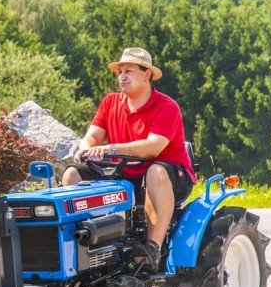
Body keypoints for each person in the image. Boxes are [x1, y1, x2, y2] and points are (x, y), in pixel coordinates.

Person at [61, 47, 196, 271]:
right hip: (123, 174)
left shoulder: (167, 106)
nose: (122, 76)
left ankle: (152, 248)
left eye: (129, 71)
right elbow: (93, 135)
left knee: (156, 171)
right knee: (72, 174)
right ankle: (83, 244)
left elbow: (152, 148)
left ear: (147, 74)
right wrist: (86, 148)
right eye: (120, 71)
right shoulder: (110, 103)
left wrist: (109, 149)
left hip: (170, 177)